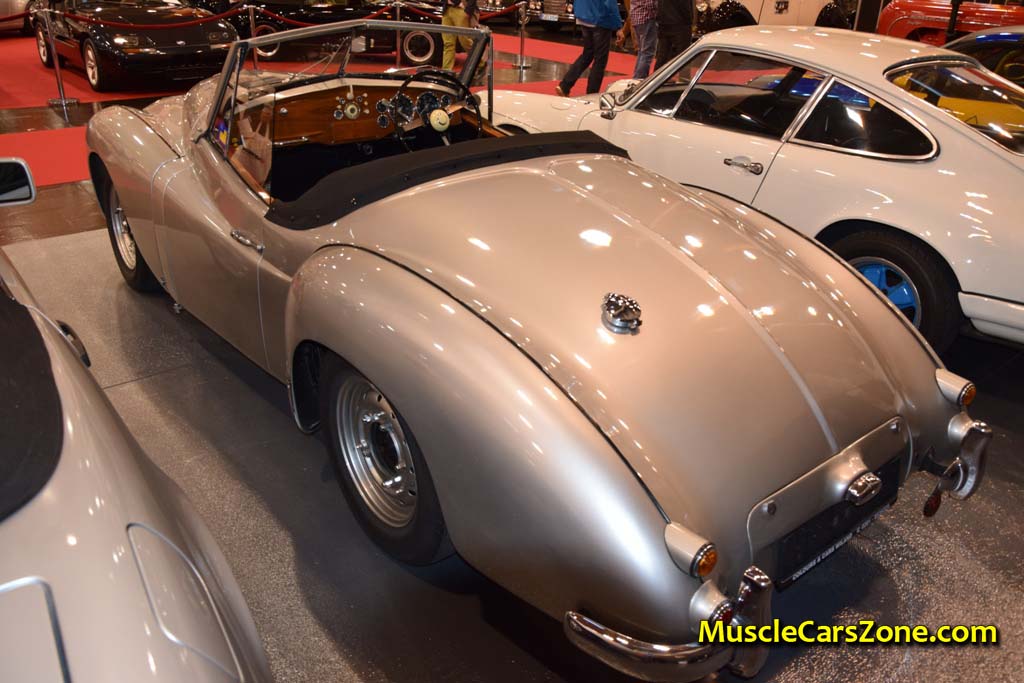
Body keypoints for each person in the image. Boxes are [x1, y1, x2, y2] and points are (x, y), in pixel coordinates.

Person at [556, 0, 624, 96]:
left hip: (584, 16)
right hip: (599, 19)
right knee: (600, 60)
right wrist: (619, 26)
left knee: (587, 55)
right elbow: (610, 3)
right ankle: (591, 93)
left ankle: (565, 85)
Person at [618, 0, 658, 79]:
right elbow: (650, 4)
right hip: (646, 19)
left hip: (637, 18)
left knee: (642, 52)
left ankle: (637, 77)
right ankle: (639, 79)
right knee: (647, 53)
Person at [655, 0, 693, 71]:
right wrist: (689, 21)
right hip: (680, 24)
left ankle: (657, 76)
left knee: (663, 55)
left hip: (664, 22)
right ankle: (683, 77)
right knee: (684, 55)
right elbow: (685, 6)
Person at [442, 0, 479, 73]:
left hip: (460, 9)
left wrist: (467, 11)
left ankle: (480, 62)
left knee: (465, 41)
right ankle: (446, 71)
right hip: (447, 9)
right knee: (448, 43)